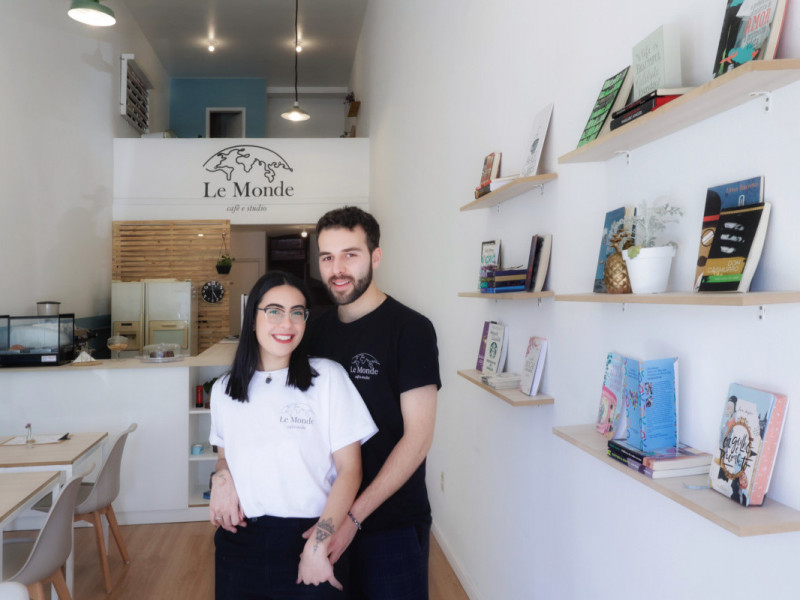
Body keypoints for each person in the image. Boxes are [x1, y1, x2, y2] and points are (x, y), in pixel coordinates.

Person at [209, 271, 378, 600]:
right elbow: (224, 454)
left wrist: (319, 543)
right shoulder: (223, 390)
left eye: (297, 312)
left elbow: (350, 470)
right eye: (274, 311)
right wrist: (221, 477)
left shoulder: (328, 378)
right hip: (240, 543)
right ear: (252, 317)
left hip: (310, 534)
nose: (286, 324)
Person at [305, 206, 441, 600]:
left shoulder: (411, 330)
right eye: (327, 257)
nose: (337, 268)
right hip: (325, 518)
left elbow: (418, 439)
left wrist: (353, 518)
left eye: (351, 254)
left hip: (391, 524)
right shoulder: (314, 332)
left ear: (375, 257)